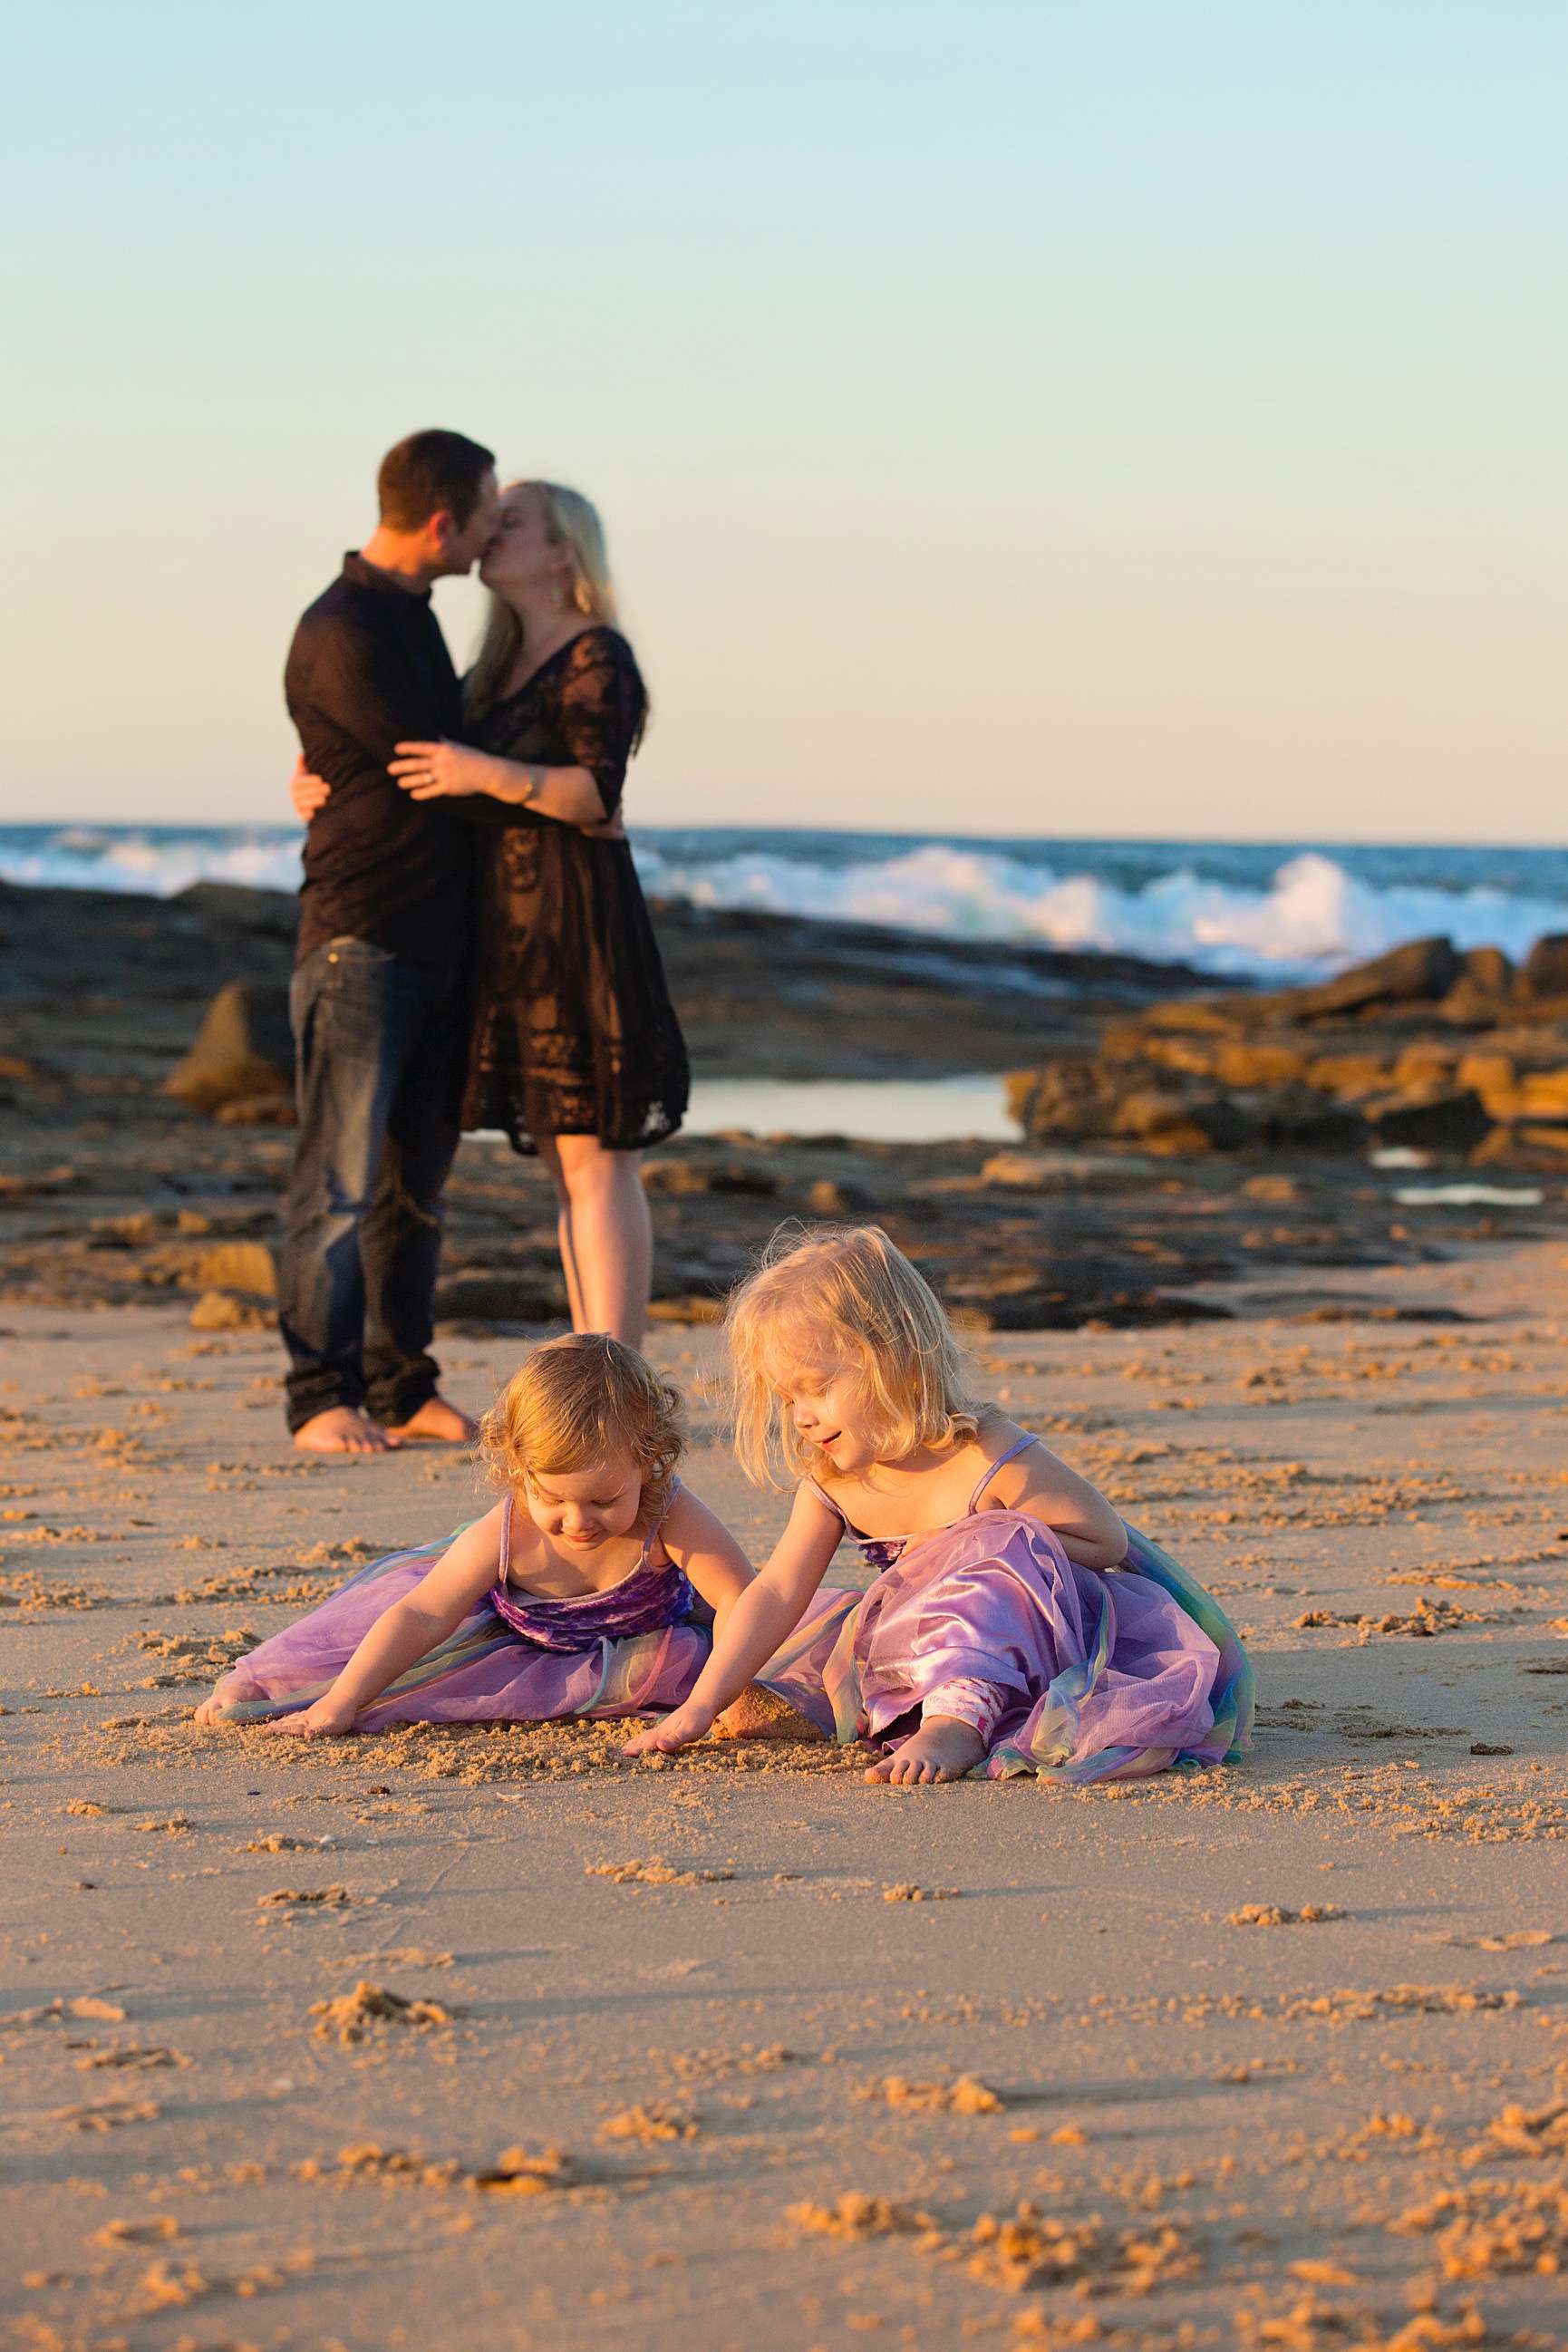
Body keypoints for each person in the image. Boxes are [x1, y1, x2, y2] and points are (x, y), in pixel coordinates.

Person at [624, 1225, 1253, 1786]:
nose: (804, 1416)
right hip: (922, 1641)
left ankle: (960, 1721)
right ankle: (859, 1706)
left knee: (993, 1549)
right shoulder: (834, 1483)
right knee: (828, 1629)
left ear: (893, 1357)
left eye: (816, 1388)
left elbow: (1107, 1542)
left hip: (1047, 1637)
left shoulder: (985, 1453)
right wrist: (701, 1703)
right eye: (790, 1399)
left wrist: (986, 1537)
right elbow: (777, 1590)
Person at [295, 479, 689, 1350]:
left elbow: (596, 791)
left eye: (511, 524)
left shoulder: (596, 654)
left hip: (575, 927)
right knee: (564, 1164)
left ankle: (615, 1372)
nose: (488, 535)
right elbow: (401, 755)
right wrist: (314, 774)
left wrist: (486, 773)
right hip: (508, 936)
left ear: (562, 552)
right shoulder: (493, 664)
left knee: (595, 1159)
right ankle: (597, 1362)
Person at [278, 429, 501, 1457]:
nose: (492, 532)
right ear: (444, 521)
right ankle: (318, 1396)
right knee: (337, 1180)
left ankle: (402, 1386)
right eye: (487, 513)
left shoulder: (408, 618)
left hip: (437, 947)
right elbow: (434, 771)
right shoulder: (346, 627)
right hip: (359, 941)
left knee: (414, 1189)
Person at [194, 1334, 752, 1734]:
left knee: (748, 1655)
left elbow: (741, 1600)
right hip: (500, 1641)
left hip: (645, 1646)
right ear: (518, 1470)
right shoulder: (507, 1531)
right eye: (553, 1498)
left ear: (649, 1459)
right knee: (375, 1661)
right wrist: (342, 1703)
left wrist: (719, 1698)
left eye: (605, 1500)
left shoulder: (668, 1512)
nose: (578, 1521)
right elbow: (422, 1616)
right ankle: (263, 1684)